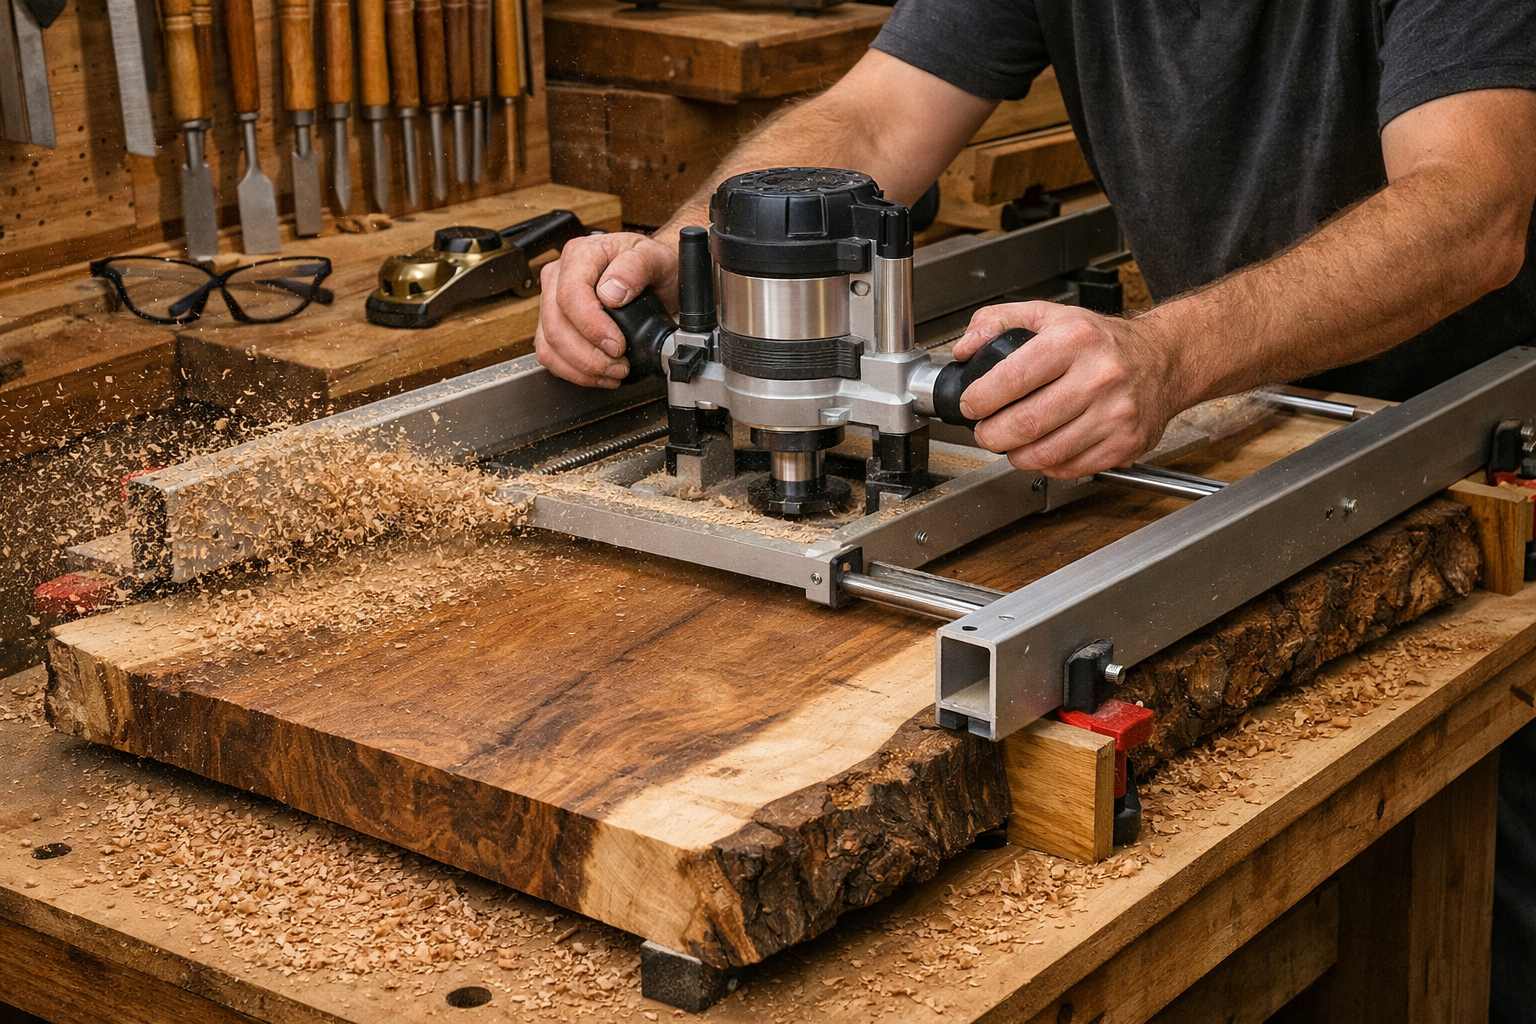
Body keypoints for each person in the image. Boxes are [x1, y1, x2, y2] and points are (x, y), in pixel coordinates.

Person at [533, 3, 1536, 1017]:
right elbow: (877, 116)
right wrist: (686, 240)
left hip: (1470, 436)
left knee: (1494, 908)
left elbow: (1474, 207)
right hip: (1240, 404)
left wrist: (1169, 353)